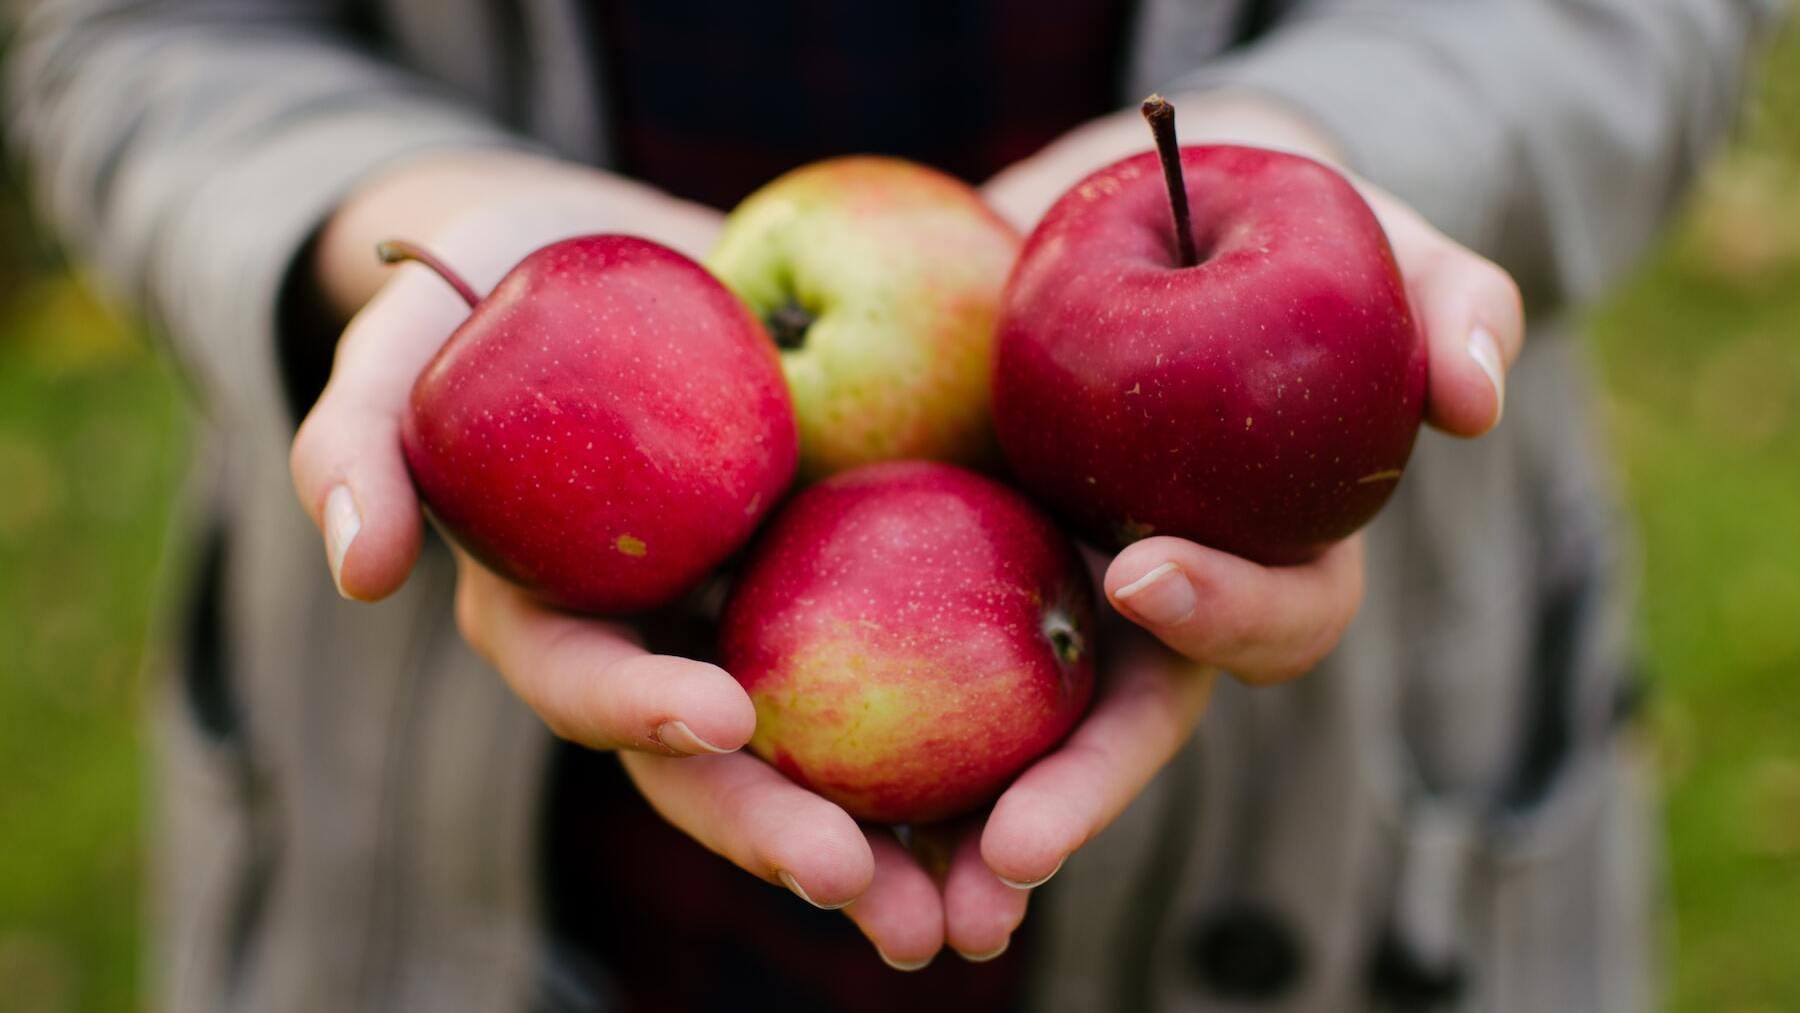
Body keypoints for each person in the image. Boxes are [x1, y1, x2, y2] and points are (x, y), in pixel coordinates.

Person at [5, 1, 1776, 1010]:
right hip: (443, 840)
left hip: (1337, 817)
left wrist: (1315, 132)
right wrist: (378, 204)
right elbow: (125, 34)